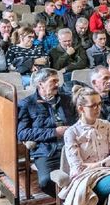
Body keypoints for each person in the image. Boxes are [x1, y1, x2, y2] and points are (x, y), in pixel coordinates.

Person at [63, 85, 110, 198]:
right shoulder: (72, 132)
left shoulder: (106, 125)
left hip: (109, 171)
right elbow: (78, 167)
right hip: (87, 178)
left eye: (100, 104)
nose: (98, 108)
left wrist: (98, 164)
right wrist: (108, 162)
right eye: (93, 106)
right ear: (81, 109)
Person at [17, 68, 76, 197]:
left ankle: (76, 198)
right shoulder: (27, 104)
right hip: (47, 150)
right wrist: (54, 132)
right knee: (46, 182)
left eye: (58, 81)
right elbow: (22, 133)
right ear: (40, 84)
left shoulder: (67, 100)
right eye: (53, 81)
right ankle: (70, 199)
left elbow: (77, 122)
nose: (57, 85)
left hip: (72, 146)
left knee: (82, 175)